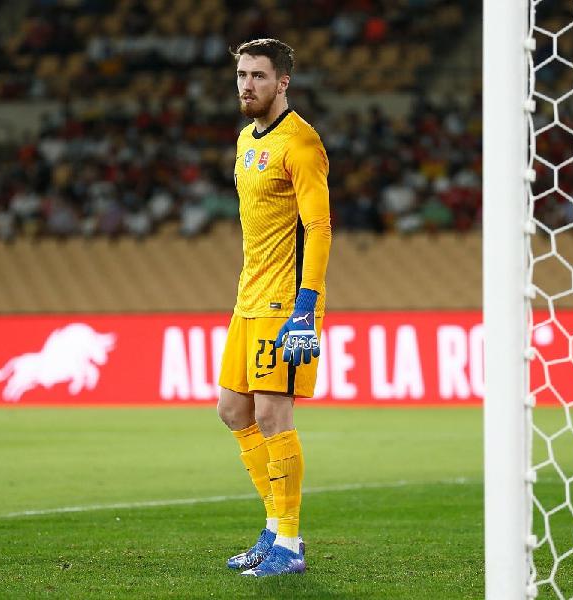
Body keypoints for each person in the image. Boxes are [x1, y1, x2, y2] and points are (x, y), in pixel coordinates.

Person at [216, 38, 331, 577]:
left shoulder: (301, 143)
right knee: (232, 410)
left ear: (283, 82)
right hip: (249, 296)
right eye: (242, 75)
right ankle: (272, 527)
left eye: (258, 76)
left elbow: (319, 227)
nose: (247, 85)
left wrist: (306, 306)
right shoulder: (246, 139)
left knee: (271, 413)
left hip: (286, 300)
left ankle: (289, 543)